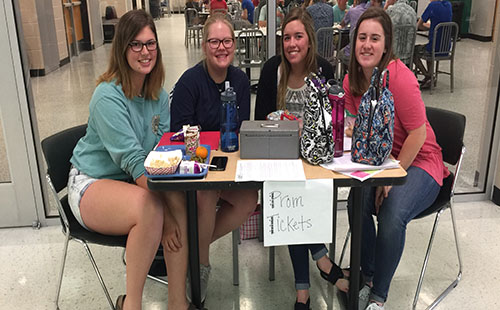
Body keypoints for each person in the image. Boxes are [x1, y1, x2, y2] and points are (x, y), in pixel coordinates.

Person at [67, 10, 192, 310]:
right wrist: (168, 217)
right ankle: (131, 305)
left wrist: (176, 210)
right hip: (92, 183)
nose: (145, 52)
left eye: (150, 44)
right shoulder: (107, 96)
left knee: (182, 202)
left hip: (133, 183)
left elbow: (161, 155)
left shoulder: (158, 95)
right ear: (122, 49)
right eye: (135, 45)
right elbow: (136, 162)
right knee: (152, 208)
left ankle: (178, 303)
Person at [343, 7, 449, 310]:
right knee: (356, 199)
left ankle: (378, 296)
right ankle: (370, 272)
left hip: (421, 161)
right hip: (382, 159)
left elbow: (416, 134)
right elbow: (356, 128)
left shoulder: (400, 78)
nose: (366, 44)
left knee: (391, 212)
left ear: (386, 44)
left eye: (374, 38)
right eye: (361, 37)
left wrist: (390, 177)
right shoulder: (354, 80)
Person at [255, 8, 348, 309]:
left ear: (309, 40)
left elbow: (330, 120)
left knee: (296, 199)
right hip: (279, 159)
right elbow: (260, 121)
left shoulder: (323, 71)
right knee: (290, 195)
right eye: (287, 38)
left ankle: (303, 292)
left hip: (313, 159)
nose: (292, 43)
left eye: (299, 37)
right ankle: (322, 262)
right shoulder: (272, 70)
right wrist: (282, 124)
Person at [170, 15, 258, 302]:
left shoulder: (241, 80)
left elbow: (242, 129)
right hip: (196, 170)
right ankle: (202, 265)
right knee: (205, 197)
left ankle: (191, 251)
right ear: (205, 46)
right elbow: (181, 138)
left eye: (227, 41)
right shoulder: (189, 83)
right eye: (214, 41)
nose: (222, 47)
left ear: (234, 44)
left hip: (227, 165)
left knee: (248, 200)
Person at [412, 0, 452, 89]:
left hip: (434, 48)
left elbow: (419, 25)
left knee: (413, 51)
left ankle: (428, 76)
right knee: (428, 47)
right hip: (445, 48)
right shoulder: (448, 5)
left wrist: (427, 27)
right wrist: (433, 27)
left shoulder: (432, 6)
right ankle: (429, 77)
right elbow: (441, 23)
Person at [339, 0, 369, 64]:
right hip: (366, 50)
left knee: (340, 53)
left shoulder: (352, 11)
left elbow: (342, 24)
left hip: (352, 51)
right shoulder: (371, 12)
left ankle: (346, 72)